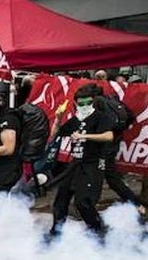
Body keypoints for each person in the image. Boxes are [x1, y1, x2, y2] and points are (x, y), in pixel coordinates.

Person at [48, 84, 115, 239]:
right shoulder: (75, 120)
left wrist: (85, 136)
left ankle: (97, 231)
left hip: (92, 164)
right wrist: (58, 118)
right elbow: (55, 134)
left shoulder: (100, 117)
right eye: (81, 103)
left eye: (88, 103)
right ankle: (56, 233)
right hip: (75, 164)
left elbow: (108, 136)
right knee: (61, 199)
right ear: (76, 104)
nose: (84, 106)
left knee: (83, 202)